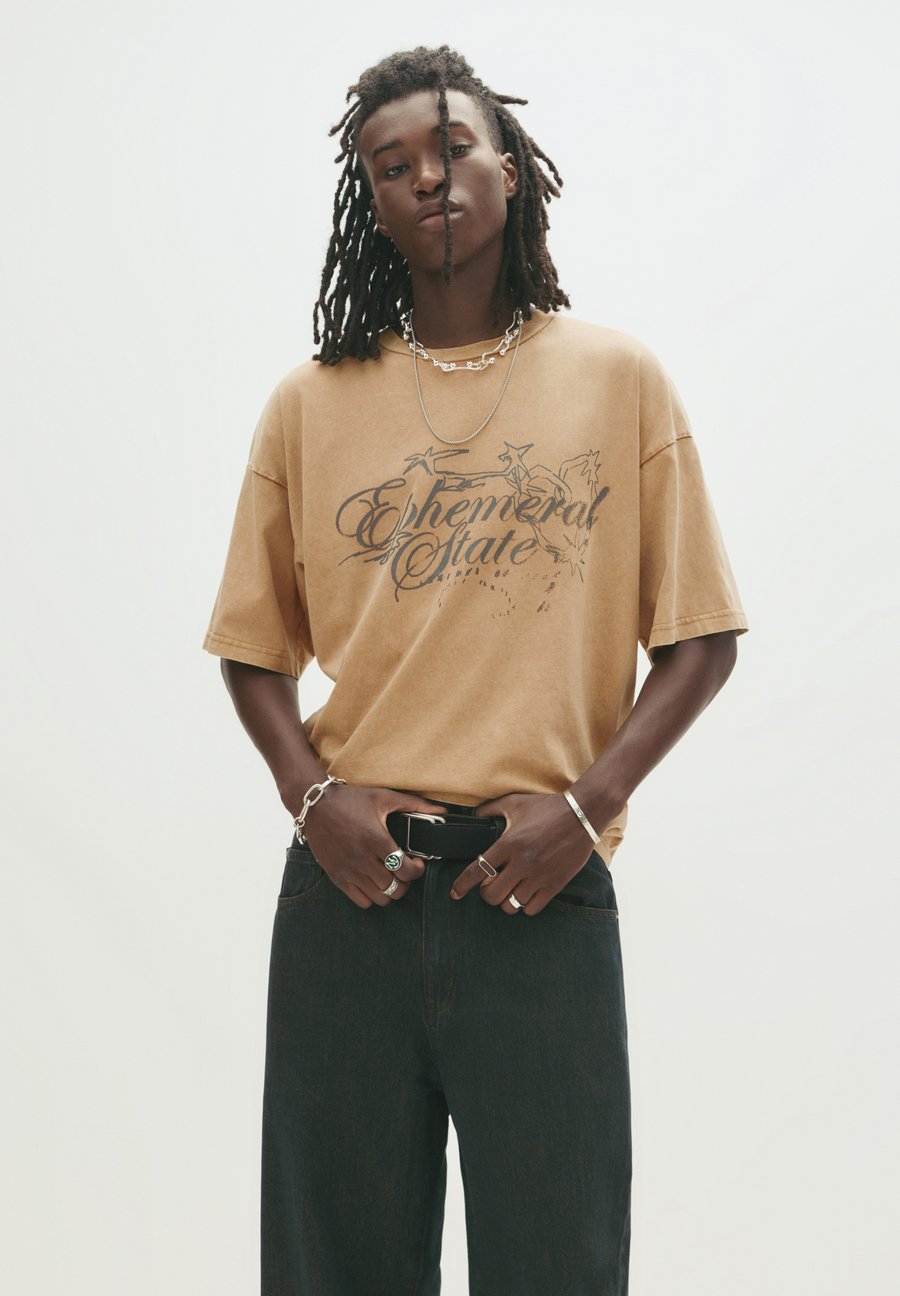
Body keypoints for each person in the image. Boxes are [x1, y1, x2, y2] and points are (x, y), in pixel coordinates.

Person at [201, 43, 749, 1296]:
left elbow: (702, 638)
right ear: (368, 201)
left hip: (540, 896)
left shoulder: (617, 380)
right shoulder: (309, 404)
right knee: (332, 1270)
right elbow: (251, 649)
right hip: (352, 897)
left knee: (560, 1268)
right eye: (391, 164)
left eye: (452, 146)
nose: (428, 177)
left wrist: (585, 811)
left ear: (510, 164)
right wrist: (310, 802)